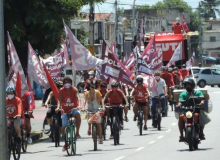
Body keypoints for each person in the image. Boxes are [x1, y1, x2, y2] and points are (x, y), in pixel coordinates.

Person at [56, 77, 81, 151]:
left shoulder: (74, 89)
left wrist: (79, 105)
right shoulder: (61, 90)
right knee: (64, 125)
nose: (67, 84)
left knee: (78, 114)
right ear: (63, 84)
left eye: (68, 82)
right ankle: (64, 138)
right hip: (64, 110)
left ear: (71, 83)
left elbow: (78, 97)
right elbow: (59, 100)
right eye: (65, 82)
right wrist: (58, 107)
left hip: (73, 109)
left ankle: (77, 132)